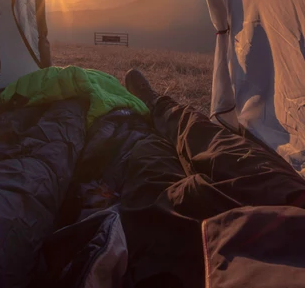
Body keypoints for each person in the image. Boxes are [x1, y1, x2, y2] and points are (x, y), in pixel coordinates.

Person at [120, 69, 305, 287]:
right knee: (206, 134)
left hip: (199, 253)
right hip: (290, 206)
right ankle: (157, 104)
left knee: (150, 164)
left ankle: (144, 124)